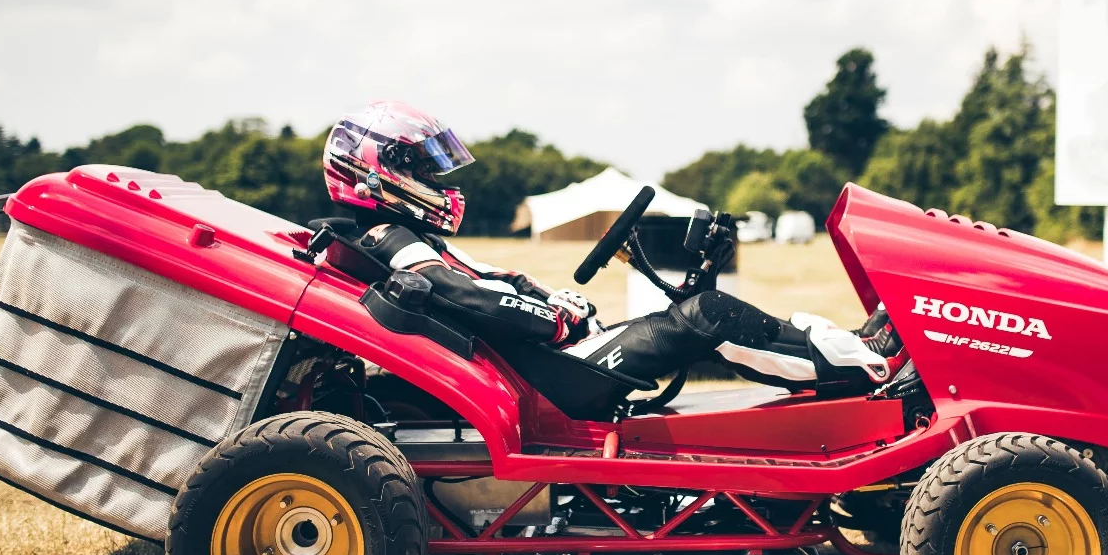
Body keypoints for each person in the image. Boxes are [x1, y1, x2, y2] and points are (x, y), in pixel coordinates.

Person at [322, 100, 907, 398]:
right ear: (377, 174)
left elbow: (489, 285)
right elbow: (469, 300)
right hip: (557, 376)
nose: (442, 184)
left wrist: (545, 297)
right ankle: (866, 365)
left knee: (696, 312)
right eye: (424, 168)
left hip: (550, 363)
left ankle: (850, 347)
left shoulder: (401, 240)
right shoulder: (390, 241)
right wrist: (553, 318)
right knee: (706, 315)